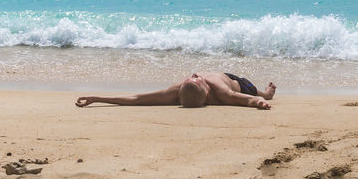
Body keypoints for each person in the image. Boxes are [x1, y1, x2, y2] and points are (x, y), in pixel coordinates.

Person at [75, 72, 274, 109]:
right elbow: (242, 98)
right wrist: (260, 101)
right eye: (197, 79)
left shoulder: (177, 91)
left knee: (259, 93)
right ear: (206, 91)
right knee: (256, 91)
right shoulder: (220, 89)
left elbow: (136, 99)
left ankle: (265, 92)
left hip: (230, 81)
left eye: (193, 76)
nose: (197, 74)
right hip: (236, 81)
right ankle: (266, 93)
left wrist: (97, 97)